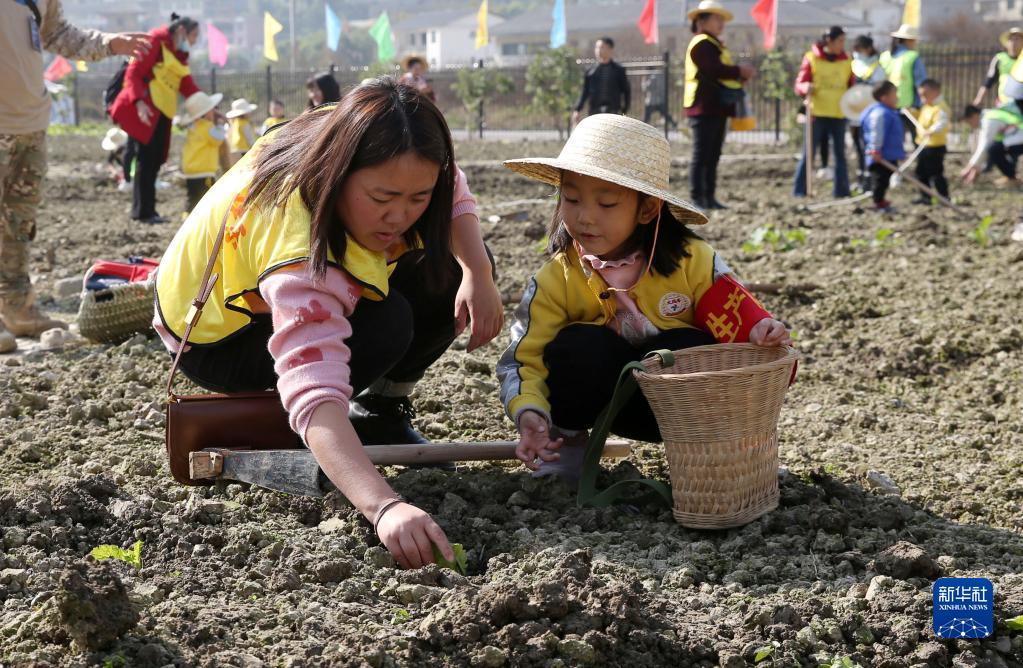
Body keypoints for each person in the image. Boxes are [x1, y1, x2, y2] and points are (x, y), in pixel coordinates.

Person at [153, 79, 503, 568]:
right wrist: (384, 507)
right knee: (387, 323)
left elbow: (453, 188)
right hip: (215, 337)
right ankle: (328, 439)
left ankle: (381, 412)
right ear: (340, 173)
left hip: (270, 291)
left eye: (417, 197)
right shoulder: (299, 248)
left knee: (452, 265)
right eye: (382, 197)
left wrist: (479, 275)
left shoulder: (364, 128)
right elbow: (313, 386)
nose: (400, 215)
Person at [497, 114, 790, 481]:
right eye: (571, 199)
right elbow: (525, 359)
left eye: (606, 204)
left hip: (683, 412)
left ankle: (719, 454)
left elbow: (738, 316)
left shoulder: (693, 261)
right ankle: (566, 444)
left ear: (648, 209)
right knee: (576, 347)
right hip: (598, 400)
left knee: (687, 346)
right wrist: (530, 413)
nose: (585, 217)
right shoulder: (556, 279)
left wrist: (761, 329)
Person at [0, 0, 148, 354]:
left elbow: (58, 34)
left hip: (30, 125)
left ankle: (17, 308)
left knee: (19, 221)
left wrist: (110, 43)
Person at [683, 1, 754, 210]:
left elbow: (720, 74)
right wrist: (739, 71)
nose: (721, 23)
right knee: (702, 153)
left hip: (716, 106)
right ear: (702, 21)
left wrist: (738, 77)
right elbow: (713, 69)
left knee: (713, 153)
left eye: (722, 19)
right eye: (717, 18)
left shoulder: (714, 44)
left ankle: (709, 196)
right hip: (703, 106)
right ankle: (697, 197)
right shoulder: (702, 43)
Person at [793, 26, 854, 199]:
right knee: (809, 153)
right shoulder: (811, 58)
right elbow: (799, 84)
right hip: (816, 113)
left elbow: (851, 86)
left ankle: (842, 191)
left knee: (840, 155)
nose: (843, 44)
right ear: (830, 41)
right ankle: (800, 190)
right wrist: (806, 87)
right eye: (840, 40)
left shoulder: (847, 60)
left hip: (838, 113)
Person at [861, 81, 906, 213]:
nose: (897, 97)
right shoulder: (880, 113)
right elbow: (876, 132)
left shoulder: (889, 111)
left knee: (885, 178)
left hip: (889, 154)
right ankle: (877, 201)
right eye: (894, 94)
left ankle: (880, 200)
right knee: (880, 180)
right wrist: (875, 149)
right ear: (884, 97)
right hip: (880, 155)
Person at [178, 91, 225, 213]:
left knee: (192, 196)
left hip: (191, 170)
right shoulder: (207, 127)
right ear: (206, 113)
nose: (214, 111)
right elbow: (218, 140)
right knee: (207, 198)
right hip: (204, 171)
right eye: (212, 109)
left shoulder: (193, 128)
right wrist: (220, 125)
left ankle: (187, 215)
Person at [850, 35, 887, 189]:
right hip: (854, 110)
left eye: (861, 50)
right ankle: (860, 178)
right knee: (857, 146)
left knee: (867, 145)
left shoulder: (877, 67)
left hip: (870, 112)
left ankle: (870, 179)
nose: (859, 53)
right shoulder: (853, 64)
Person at [880, 24, 926, 144]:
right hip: (910, 106)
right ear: (910, 41)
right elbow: (920, 82)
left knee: (893, 140)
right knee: (917, 139)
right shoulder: (912, 57)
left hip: (887, 105)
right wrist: (922, 103)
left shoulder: (885, 57)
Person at [960, 102, 1023, 186]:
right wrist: (975, 170)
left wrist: (969, 168)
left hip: (1019, 138)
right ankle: (1011, 177)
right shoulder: (989, 115)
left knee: (994, 150)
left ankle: (1012, 178)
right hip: (1017, 138)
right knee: (994, 149)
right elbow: (984, 149)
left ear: (974, 116)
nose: (970, 126)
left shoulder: (989, 121)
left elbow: (984, 147)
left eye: (969, 122)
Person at [572, 37, 630, 125]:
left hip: (613, 113)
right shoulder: (590, 71)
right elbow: (585, 92)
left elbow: (626, 91)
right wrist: (578, 110)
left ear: (610, 49)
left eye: (602, 47)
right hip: (594, 113)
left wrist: (625, 110)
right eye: (597, 47)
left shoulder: (619, 70)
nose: (598, 50)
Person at [911, 79, 950, 204]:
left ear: (935, 92)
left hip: (935, 146)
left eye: (925, 95)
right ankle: (925, 197)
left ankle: (944, 197)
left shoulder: (940, 107)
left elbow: (942, 123)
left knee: (936, 173)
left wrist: (932, 131)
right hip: (923, 145)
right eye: (921, 95)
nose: (922, 98)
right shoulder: (927, 106)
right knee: (921, 173)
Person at [973, 28, 1022, 108]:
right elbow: (989, 81)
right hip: (1003, 103)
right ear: (1006, 43)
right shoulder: (1000, 58)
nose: (1014, 43)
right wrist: (978, 99)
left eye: (1017, 39)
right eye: (1011, 40)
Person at [226, 98, 257, 165]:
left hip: (235, 150)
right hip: (245, 150)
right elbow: (249, 138)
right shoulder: (245, 123)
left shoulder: (234, 122)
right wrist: (255, 147)